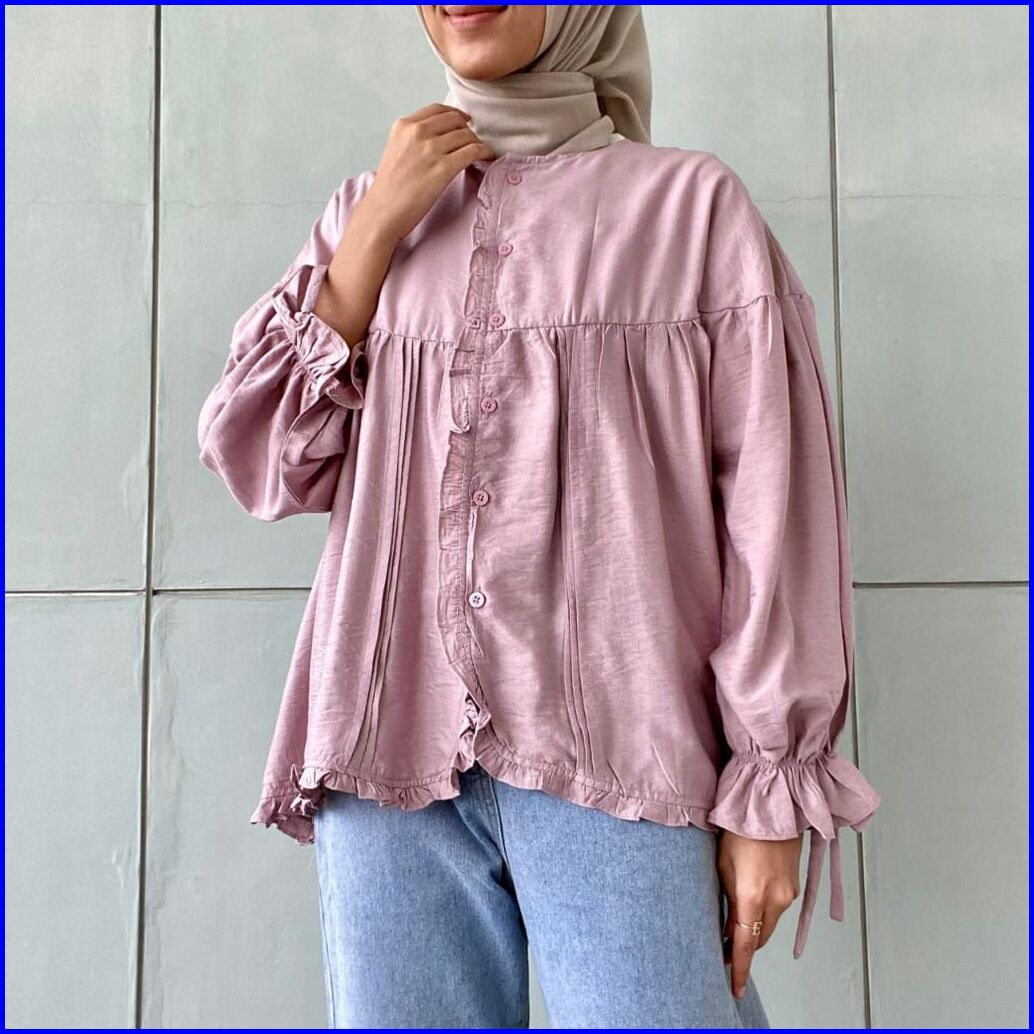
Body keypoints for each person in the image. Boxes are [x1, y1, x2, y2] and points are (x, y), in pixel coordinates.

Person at [197, 5, 881, 1028]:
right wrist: (372, 236)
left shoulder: (691, 212)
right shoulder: (366, 215)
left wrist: (770, 785)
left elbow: (776, 518)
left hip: (623, 761)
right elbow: (258, 458)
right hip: (388, 760)